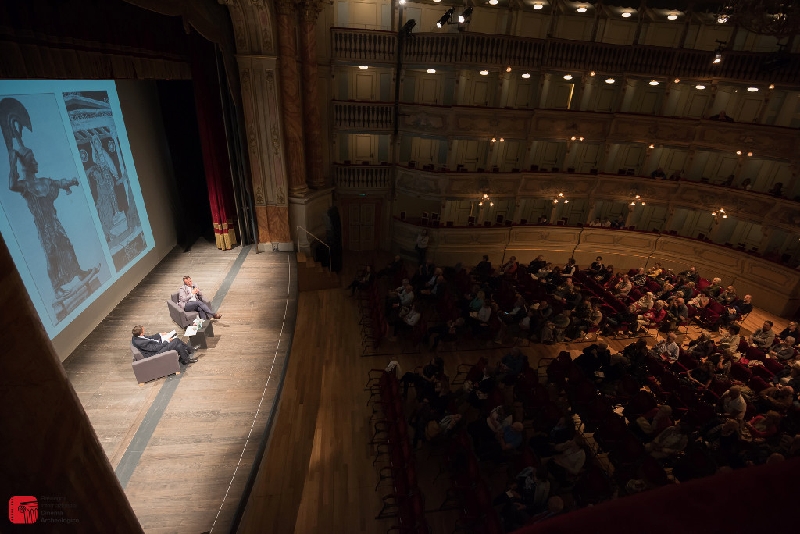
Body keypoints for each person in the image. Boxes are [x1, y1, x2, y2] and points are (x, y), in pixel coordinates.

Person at [131, 324, 197, 365]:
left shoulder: (136, 337)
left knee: (179, 345)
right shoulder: (141, 343)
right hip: (155, 353)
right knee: (176, 340)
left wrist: (160, 334)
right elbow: (155, 348)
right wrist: (167, 341)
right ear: (141, 333)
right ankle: (189, 350)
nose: (144, 331)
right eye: (143, 330)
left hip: (157, 345)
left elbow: (150, 338)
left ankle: (185, 359)